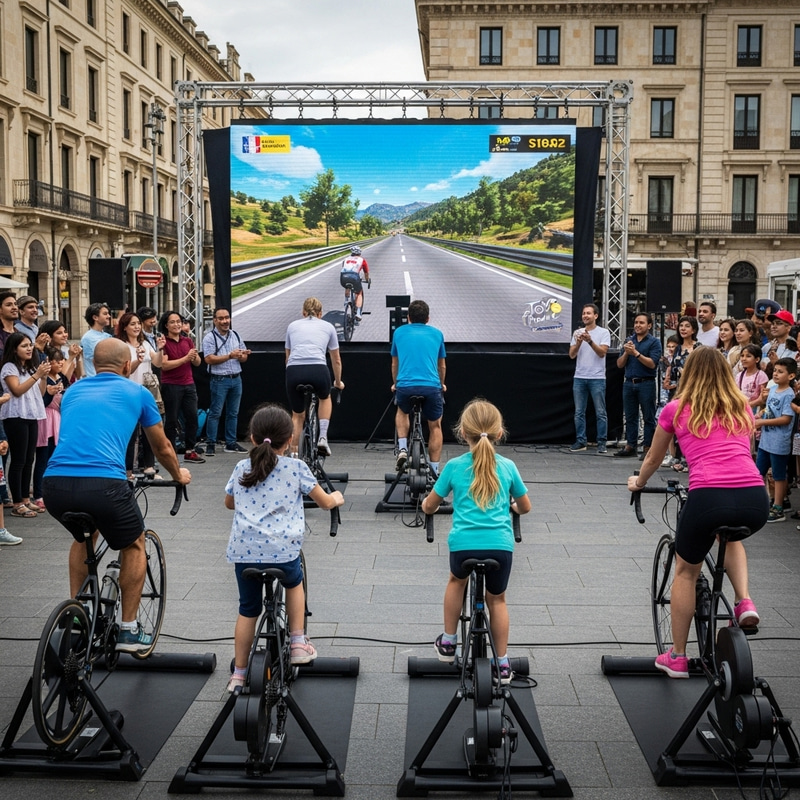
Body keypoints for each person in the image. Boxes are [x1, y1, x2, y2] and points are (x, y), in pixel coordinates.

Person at [43, 338, 191, 652]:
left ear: (95, 364)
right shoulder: (138, 392)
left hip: (54, 484)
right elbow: (161, 447)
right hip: (104, 484)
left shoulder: (73, 391)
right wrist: (179, 475)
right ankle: (128, 629)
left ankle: (78, 615)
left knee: (85, 537)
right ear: (127, 366)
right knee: (134, 542)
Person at [628, 347, 768, 678]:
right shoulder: (742, 409)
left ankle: (677, 657)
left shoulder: (676, 410)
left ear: (689, 373)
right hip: (754, 497)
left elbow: (652, 457)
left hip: (708, 496)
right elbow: (741, 454)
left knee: (686, 572)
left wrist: (639, 481)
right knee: (730, 535)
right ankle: (744, 601)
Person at [224, 404, 344, 692]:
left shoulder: (242, 467)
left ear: (252, 438)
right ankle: (299, 642)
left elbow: (229, 502)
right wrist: (336, 498)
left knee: (247, 610)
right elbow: (325, 501)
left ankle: (238, 675)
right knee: (294, 583)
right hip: (283, 551)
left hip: (244, 553)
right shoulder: (296, 467)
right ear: (289, 439)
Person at [421, 399, 531, 684]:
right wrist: (514, 508)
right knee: (498, 600)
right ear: (498, 433)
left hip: (463, 546)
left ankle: (447, 641)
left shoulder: (455, 467)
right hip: (500, 547)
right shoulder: (507, 466)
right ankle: (502, 664)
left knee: (456, 582)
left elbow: (432, 504)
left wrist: (426, 507)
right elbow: (525, 506)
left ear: (463, 432)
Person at [391, 299, 447, 474]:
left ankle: (402, 448)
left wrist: (396, 383)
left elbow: (394, 364)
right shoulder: (437, 334)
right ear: (428, 318)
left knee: (402, 411)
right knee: (435, 426)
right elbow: (442, 366)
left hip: (406, 386)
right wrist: (442, 384)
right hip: (431, 387)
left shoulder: (399, 333)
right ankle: (435, 471)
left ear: (408, 318)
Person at [284, 298, 344, 457]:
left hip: (294, 371)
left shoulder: (292, 326)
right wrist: (338, 382)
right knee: (325, 397)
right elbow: (336, 359)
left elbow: (287, 357)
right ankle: (323, 437)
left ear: (303, 313)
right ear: (320, 314)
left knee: (297, 415)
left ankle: (294, 454)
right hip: (318, 369)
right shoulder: (328, 326)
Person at [0, 332, 49, 519]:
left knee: (29, 458)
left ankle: (25, 499)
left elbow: (40, 392)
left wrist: (43, 377)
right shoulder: (9, 368)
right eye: (24, 346)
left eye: (30, 345)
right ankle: (17, 502)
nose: (29, 348)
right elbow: (17, 390)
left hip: (31, 414)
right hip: (15, 416)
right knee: (19, 460)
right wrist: (37, 375)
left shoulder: (29, 368)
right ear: (14, 349)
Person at [116, 312, 163, 477]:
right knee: (131, 432)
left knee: (149, 429)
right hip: (129, 391)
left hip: (147, 391)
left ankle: (149, 466)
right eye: (132, 324)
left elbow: (157, 363)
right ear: (124, 327)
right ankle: (128, 470)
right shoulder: (121, 346)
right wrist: (137, 360)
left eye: (138, 323)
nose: (136, 327)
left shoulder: (145, 343)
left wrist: (161, 349)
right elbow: (125, 372)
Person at [754, 356, 797, 523]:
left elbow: (786, 418)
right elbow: (769, 410)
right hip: (766, 440)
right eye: (775, 371)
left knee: (778, 475)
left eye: (781, 372)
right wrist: (759, 414)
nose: (776, 374)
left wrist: (762, 421)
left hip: (779, 442)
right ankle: (758, 502)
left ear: (791, 376)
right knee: (758, 472)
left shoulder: (788, 394)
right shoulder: (772, 390)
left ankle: (778, 506)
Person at [202, 308, 251, 456]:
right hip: (219, 379)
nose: (225, 321)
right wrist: (230, 356)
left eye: (227, 318)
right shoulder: (209, 338)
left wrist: (243, 355)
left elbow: (243, 359)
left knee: (233, 413)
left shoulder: (235, 335)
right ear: (215, 321)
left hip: (236, 378)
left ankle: (230, 442)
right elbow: (208, 359)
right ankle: (211, 442)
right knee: (215, 412)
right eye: (221, 318)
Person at [614, 313, 662, 459]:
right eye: (636, 322)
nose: (637, 325)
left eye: (641, 323)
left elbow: (652, 363)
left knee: (648, 416)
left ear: (649, 325)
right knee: (630, 416)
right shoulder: (629, 340)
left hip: (646, 382)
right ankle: (631, 445)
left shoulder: (654, 342)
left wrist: (635, 353)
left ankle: (648, 447)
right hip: (629, 383)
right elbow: (619, 364)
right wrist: (627, 353)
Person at [159, 310, 205, 464]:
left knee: (192, 417)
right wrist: (185, 358)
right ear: (166, 325)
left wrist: (194, 356)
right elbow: (164, 365)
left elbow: (197, 363)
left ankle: (190, 450)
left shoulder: (188, 341)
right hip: (171, 385)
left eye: (179, 321)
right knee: (171, 420)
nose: (177, 324)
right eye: (172, 322)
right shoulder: (163, 342)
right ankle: (170, 451)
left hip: (188, 384)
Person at [568, 303, 610, 453]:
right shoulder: (577, 332)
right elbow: (572, 355)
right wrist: (579, 342)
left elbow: (602, 353)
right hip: (579, 376)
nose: (585, 315)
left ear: (595, 316)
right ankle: (581, 441)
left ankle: (602, 442)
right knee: (579, 411)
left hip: (597, 378)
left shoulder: (603, 332)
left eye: (588, 313)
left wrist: (590, 341)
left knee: (600, 412)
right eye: (584, 313)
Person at [31, 347, 68, 512]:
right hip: (45, 419)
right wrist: (50, 394)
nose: (60, 362)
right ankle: (38, 494)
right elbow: (42, 402)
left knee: (54, 457)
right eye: (56, 359)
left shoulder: (61, 377)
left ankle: (51, 491)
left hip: (57, 419)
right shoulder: (44, 380)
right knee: (42, 458)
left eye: (61, 359)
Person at [80, 302, 112, 378]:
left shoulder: (107, 335)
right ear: (95, 317)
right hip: (95, 378)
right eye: (105, 314)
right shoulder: (88, 338)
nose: (109, 316)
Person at [339, 246, 370, 319]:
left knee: (347, 285)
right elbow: (366, 273)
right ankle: (358, 313)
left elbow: (345, 269)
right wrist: (367, 280)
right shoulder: (362, 260)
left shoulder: (346, 259)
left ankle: (346, 301)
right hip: (354, 277)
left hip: (343, 276)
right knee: (359, 293)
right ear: (359, 253)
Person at [15, 296, 50, 360]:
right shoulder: (17, 329)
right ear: (21, 311)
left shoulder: (35, 328)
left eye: (36, 307)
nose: (35, 310)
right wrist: (36, 345)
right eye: (30, 307)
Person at [0, 291, 18, 358]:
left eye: (15, 304)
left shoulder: (18, 332)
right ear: (0, 310)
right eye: (9, 305)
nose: (14, 307)